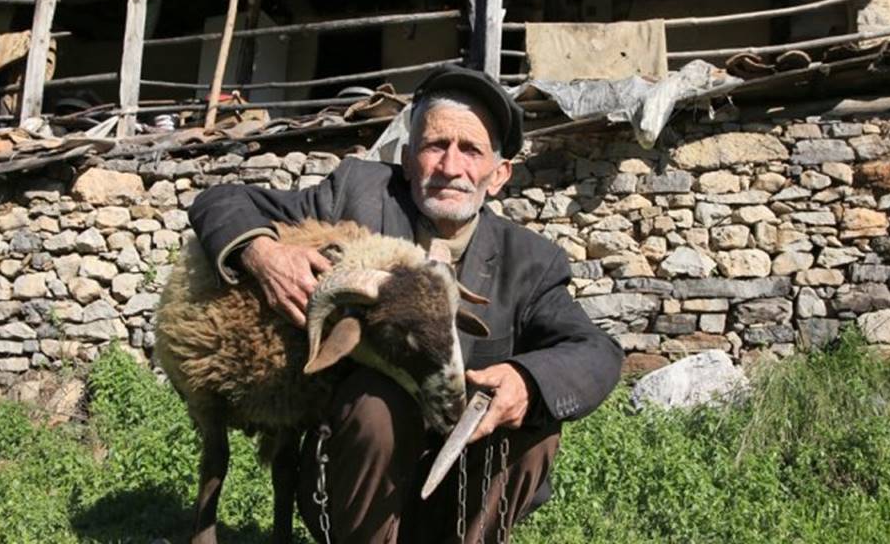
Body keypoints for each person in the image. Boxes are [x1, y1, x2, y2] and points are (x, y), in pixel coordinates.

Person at [188, 64, 623, 543]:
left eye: (471, 150)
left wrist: (527, 383)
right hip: (354, 487)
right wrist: (263, 253)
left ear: (499, 175)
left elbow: (595, 350)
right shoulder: (356, 194)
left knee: (535, 427)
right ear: (408, 155)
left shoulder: (531, 262)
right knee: (378, 401)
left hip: (457, 488)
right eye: (435, 146)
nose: (451, 167)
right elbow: (222, 201)